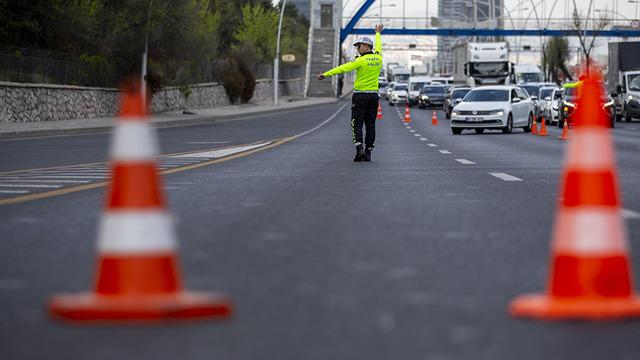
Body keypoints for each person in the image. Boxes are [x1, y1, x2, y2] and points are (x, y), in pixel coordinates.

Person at [317, 24, 383, 162]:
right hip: (373, 96)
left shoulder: (360, 61)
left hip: (360, 96)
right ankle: (369, 152)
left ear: (365, 46)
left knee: (356, 123)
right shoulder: (379, 58)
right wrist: (378, 33)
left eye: (358, 46)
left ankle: (359, 149)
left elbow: (342, 68)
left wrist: (326, 74)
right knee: (370, 124)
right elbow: (379, 46)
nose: (357, 49)